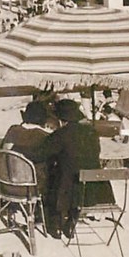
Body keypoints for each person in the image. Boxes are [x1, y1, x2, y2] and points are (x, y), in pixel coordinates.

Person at [43, 99, 106, 239]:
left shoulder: (61, 134)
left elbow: (43, 153)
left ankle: (55, 224)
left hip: (68, 187)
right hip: (93, 190)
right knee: (72, 171)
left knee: (53, 175)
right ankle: (71, 222)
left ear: (60, 119)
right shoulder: (92, 132)